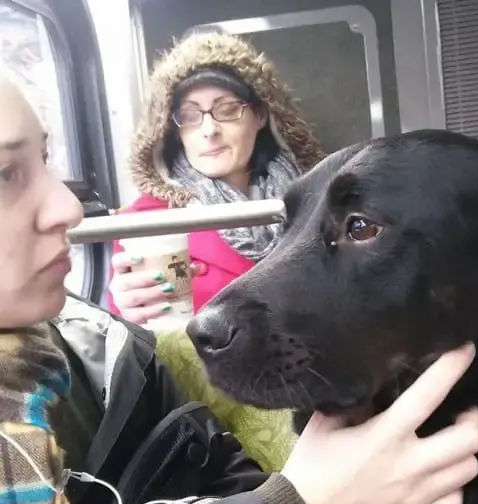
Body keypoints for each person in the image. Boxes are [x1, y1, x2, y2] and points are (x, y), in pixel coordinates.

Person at [0, 72, 478, 504]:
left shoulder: (109, 355)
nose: (67, 208)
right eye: (4, 174)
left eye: (45, 160)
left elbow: (224, 475)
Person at [108, 31, 324, 325]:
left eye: (228, 109)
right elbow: (136, 346)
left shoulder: (318, 201)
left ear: (260, 115)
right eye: (189, 115)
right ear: (172, 129)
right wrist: (125, 312)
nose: (209, 130)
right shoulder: (145, 224)